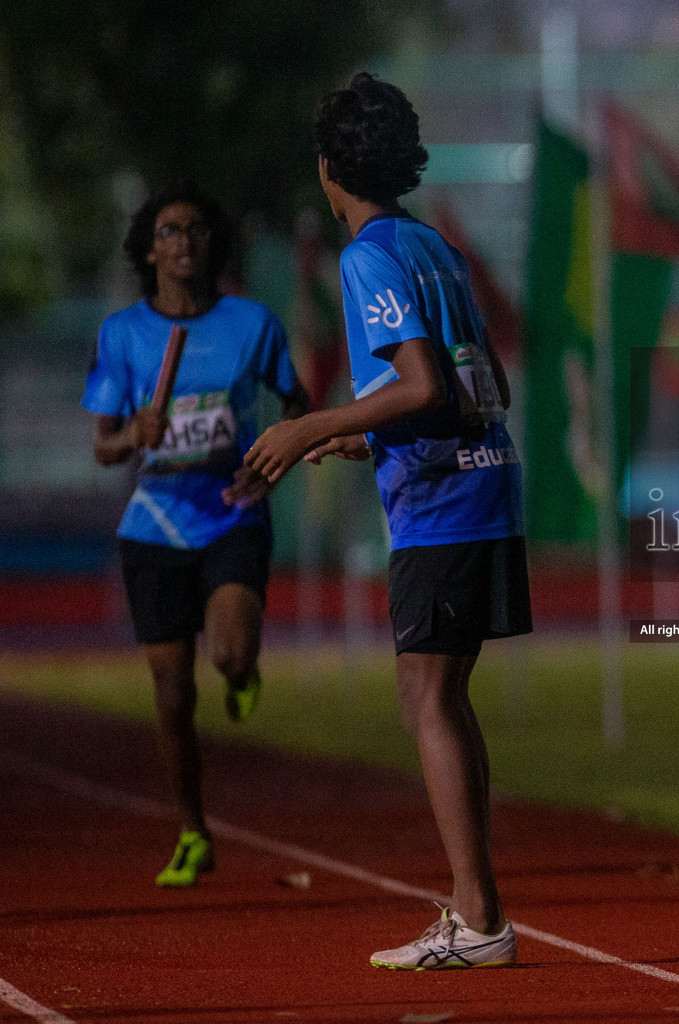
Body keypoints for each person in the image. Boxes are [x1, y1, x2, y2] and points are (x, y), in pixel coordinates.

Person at [244, 72, 527, 970]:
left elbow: (421, 382)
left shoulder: (367, 253)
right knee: (443, 699)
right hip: (484, 479)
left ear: (330, 169)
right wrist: (380, 441)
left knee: (427, 700)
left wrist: (308, 424)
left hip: (443, 507)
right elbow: (486, 384)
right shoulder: (436, 245)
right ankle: (479, 909)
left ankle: (478, 919)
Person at [83, 179, 308, 887]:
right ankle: (192, 830)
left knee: (231, 656)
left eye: (197, 231)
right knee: (173, 695)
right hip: (154, 524)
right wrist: (133, 434)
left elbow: (297, 406)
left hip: (232, 512)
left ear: (214, 246)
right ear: (149, 249)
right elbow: (104, 445)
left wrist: (272, 468)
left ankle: (244, 670)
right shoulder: (123, 334)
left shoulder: (251, 326)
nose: (185, 242)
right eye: (171, 231)